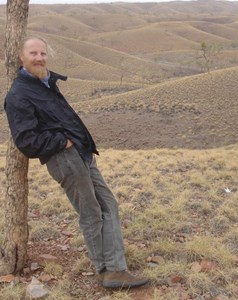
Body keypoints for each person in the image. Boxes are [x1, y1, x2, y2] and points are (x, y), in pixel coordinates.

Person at [4, 36, 148, 289]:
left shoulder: (45, 83)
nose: (39, 58)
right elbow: (26, 141)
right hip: (64, 158)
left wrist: (76, 143)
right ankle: (107, 270)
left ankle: (116, 267)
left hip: (82, 154)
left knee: (108, 205)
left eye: (42, 53)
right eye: (33, 54)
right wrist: (63, 142)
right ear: (21, 57)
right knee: (91, 212)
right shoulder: (19, 94)